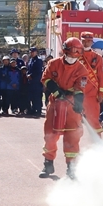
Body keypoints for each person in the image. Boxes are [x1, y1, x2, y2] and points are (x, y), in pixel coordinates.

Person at [39, 37, 89, 179]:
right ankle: (48, 164)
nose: (72, 59)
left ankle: (71, 168)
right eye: (70, 55)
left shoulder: (81, 69)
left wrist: (78, 103)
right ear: (65, 52)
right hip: (55, 104)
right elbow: (45, 78)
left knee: (72, 136)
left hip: (71, 105)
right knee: (50, 135)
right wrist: (56, 90)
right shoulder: (53, 64)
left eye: (75, 57)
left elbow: (80, 88)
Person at [79, 32, 103, 135]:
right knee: (73, 121)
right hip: (76, 93)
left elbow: (102, 77)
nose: (86, 43)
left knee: (93, 121)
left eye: (88, 41)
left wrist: (101, 94)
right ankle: (73, 143)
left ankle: (97, 142)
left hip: (92, 95)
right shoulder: (75, 56)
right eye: (84, 41)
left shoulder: (98, 58)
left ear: (92, 42)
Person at [27, 47, 44, 116]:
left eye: (33, 52)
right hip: (31, 82)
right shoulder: (30, 60)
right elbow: (28, 69)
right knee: (32, 96)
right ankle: (33, 109)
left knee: (37, 96)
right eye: (30, 52)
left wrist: (31, 75)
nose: (31, 53)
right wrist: (27, 74)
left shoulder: (39, 60)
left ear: (36, 52)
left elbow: (38, 71)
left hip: (37, 81)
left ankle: (38, 110)